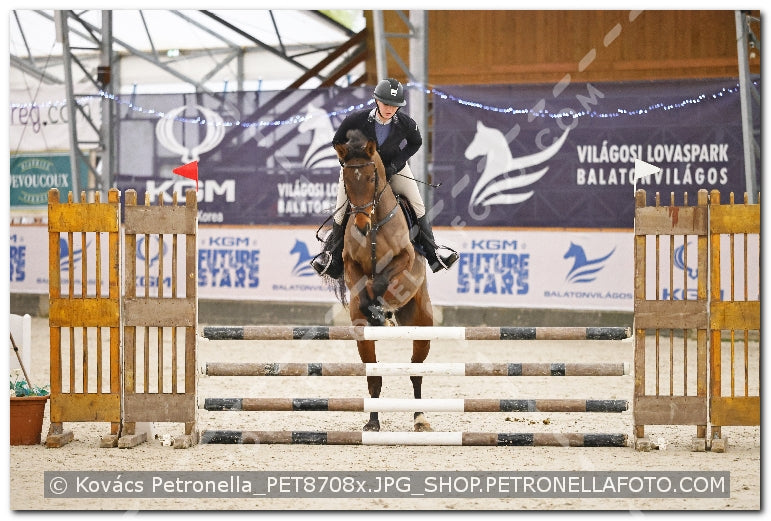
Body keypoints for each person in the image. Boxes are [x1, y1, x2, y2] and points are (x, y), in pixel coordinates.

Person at [311, 78, 459, 279]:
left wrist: (395, 164)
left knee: (417, 203)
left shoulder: (405, 123)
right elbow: (338, 140)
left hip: (394, 169)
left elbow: (416, 143)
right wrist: (350, 165)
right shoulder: (357, 119)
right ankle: (333, 258)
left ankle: (433, 253)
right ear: (376, 101)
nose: (390, 109)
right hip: (359, 170)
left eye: (395, 105)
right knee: (342, 207)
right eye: (386, 103)